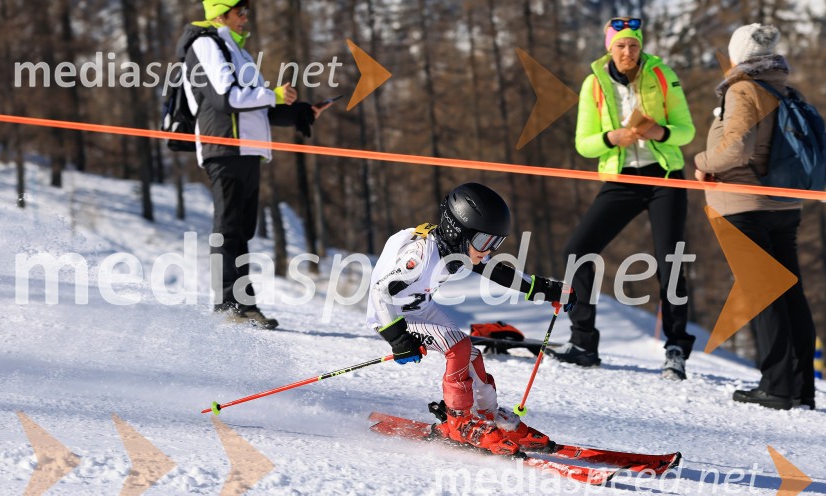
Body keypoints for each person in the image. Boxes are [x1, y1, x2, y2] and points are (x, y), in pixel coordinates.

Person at [366, 183, 577, 455]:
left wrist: (547, 289)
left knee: (472, 355)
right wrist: (397, 338)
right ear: (457, 231)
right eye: (483, 242)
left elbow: (497, 271)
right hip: (394, 316)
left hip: (421, 307)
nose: (487, 250)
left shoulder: (456, 247)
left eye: (495, 243)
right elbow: (380, 292)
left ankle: (488, 417)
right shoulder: (419, 257)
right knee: (459, 347)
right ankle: (459, 422)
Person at [551, 16, 696, 380]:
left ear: (641, 46)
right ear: (609, 48)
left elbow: (686, 130)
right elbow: (583, 143)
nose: (628, 52)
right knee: (577, 249)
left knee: (671, 261)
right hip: (622, 178)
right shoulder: (593, 84)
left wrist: (660, 131)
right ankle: (583, 342)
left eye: (633, 45)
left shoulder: (662, 74)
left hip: (665, 177)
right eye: (621, 45)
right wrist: (610, 138)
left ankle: (675, 348)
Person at [180, 0, 329, 329]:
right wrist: (273, 95)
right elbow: (226, 97)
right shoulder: (206, 44)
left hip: (248, 150)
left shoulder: (239, 51)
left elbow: (259, 106)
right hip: (224, 147)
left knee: (242, 231)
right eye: (240, 10)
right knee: (228, 228)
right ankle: (225, 306)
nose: (246, 16)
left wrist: (300, 111)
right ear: (221, 13)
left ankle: (245, 306)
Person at [694, 24, 816, 410]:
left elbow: (735, 150)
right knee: (790, 293)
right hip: (785, 205)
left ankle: (776, 387)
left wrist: (701, 162)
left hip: (744, 205)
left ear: (738, 56)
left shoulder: (743, 88)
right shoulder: (784, 88)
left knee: (764, 294)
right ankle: (800, 387)